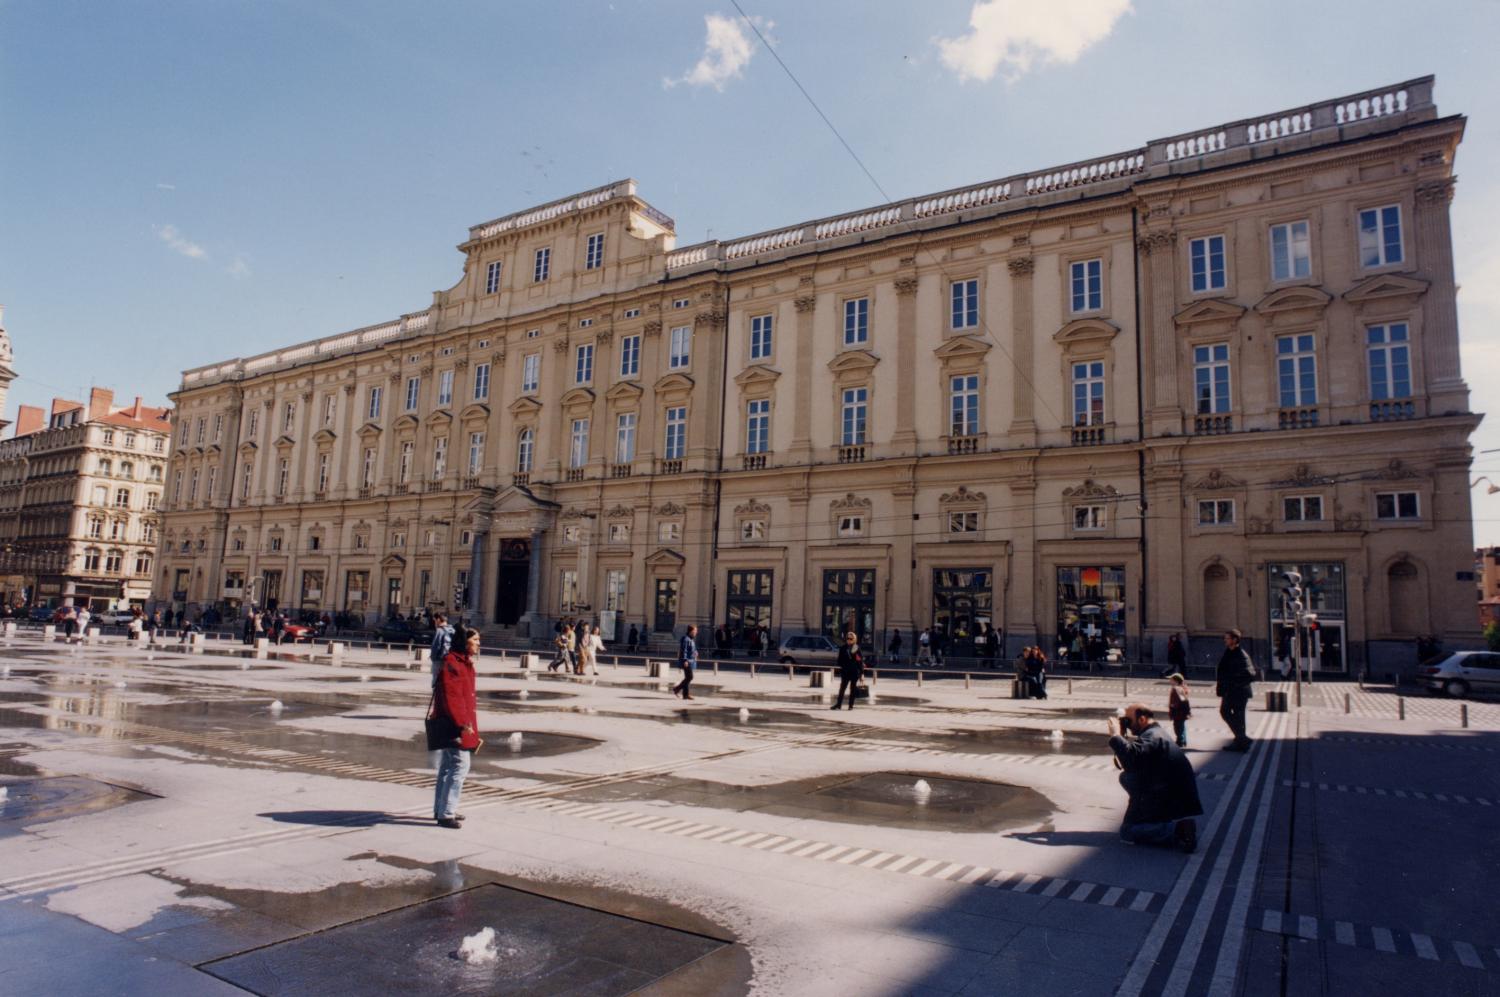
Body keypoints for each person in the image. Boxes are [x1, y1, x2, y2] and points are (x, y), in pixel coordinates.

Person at [1107, 703, 1202, 853]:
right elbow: (1131, 764)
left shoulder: (1152, 736)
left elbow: (1131, 757)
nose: (1127, 724)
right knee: (1127, 777)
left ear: (1142, 719)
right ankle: (1154, 819)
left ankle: (1178, 829)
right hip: (1167, 790)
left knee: (1127, 832)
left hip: (1167, 795)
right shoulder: (1156, 732)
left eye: (1129, 720)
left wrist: (1116, 736)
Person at [430, 626, 481, 829]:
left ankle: (442, 808)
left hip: (456, 722)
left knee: (447, 767)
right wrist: (463, 724)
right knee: (460, 766)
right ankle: (446, 813)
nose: (478, 644)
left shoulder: (462, 662)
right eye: (475, 640)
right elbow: (453, 698)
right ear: (464, 641)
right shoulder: (454, 663)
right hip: (454, 724)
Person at [1216, 629, 1257, 751]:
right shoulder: (1229, 652)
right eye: (1225, 638)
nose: (1225, 640)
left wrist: (1234, 683)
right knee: (1226, 712)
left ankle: (1241, 741)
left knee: (1236, 716)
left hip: (1239, 692)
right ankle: (1241, 739)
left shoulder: (1241, 654)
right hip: (1229, 691)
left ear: (1235, 640)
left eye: (1227, 638)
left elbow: (1251, 674)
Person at [831, 632, 865, 710]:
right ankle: (838, 704)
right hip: (845, 671)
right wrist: (843, 666)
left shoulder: (856, 648)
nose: (849, 640)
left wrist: (862, 673)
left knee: (852, 689)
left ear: (854, 639)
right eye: (847, 638)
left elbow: (860, 662)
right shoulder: (843, 648)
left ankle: (850, 705)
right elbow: (839, 660)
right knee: (842, 688)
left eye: (851, 639)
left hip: (854, 672)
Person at [672, 624, 698, 700]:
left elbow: (692, 649)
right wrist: (685, 660)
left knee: (687, 677)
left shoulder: (691, 639)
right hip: (687, 661)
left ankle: (685, 695)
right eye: (695, 631)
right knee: (690, 677)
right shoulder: (686, 639)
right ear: (691, 631)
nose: (696, 632)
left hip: (690, 660)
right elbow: (684, 650)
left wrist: (696, 652)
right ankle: (677, 688)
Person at [1167, 673, 1192, 748]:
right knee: (1181, 726)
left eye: (1171, 679)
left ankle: (1180, 741)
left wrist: (1173, 707)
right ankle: (1183, 741)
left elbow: (1183, 700)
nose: (1169, 681)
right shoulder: (1181, 688)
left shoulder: (1177, 689)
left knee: (1178, 726)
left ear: (1176, 681)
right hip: (1180, 712)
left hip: (1178, 712)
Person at [429, 612, 454, 685]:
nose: (434, 623)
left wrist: (433, 658)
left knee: (436, 681)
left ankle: (437, 695)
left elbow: (436, 646)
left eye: (435, 620)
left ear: (438, 620)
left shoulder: (439, 631)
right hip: (450, 659)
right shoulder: (452, 630)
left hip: (439, 659)